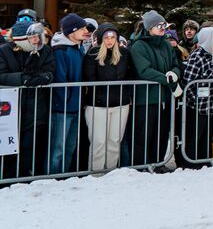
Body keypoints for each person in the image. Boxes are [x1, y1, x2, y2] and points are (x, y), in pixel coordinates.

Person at [128, 11, 183, 169]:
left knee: (161, 133)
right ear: (149, 27)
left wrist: (174, 73)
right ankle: (141, 165)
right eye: (159, 25)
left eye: (164, 25)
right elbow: (144, 70)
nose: (163, 28)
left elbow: (175, 64)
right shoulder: (139, 46)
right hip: (146, 98)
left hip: (164, 97)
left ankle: (158, 162)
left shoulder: (166, 43)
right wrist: (168, 80)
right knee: (144, 134)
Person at [0, 20, 54, 179]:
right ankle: (7, 178)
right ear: (22, 38)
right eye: (33, 37)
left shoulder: (45, 51)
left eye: (39, 36)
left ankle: (24, 178)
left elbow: (50, 70)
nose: (37, 40)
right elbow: (1, 75)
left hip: (36, 109)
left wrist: (45, 77)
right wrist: (22, 79)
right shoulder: (4, 51)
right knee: (9, 148)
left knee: (29, 147)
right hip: (10, 111)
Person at [82, 23, 131, 172]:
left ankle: (111, 171)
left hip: (120, 103)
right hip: (98, 104)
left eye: (113, 37)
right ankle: (96, 173)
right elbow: (89, 77)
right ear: (101, 38)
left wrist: (127, 95)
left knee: (115, 141)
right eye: (106, 37)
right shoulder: (92, 54)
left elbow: (130, 76)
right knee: (98, 141)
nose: (110, 40)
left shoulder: (124, 54)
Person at [49, 13, 90, 174]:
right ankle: (52, 178)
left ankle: (64, 177)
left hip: (75, 106)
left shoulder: (77, 48)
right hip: (62, 108)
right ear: (72, 31)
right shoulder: (61, 50)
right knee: (57, 148)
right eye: (82, 28)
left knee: (70, 146)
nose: (86, 31)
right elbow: (60, 80)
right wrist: (65, 102)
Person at [181, 27, 213, 166]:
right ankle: (191, 163)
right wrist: (194, 100)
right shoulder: (197, 56)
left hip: (212, 105)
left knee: (207, 136)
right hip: (198, 107)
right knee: (195, 137)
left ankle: (204, 161)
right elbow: (188, 81)